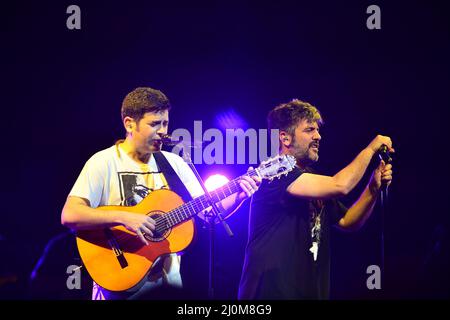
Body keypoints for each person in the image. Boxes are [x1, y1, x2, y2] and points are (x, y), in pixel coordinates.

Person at [61, 87, 261, 300]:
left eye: (165, 123)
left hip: (167, 288)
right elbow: (70, 215)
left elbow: (208, 214)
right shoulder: (103, 162)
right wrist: (124, 217)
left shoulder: (174, 162)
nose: (162, 131)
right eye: (154, 124)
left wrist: (238, 195)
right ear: (129, 123)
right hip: (118, 285)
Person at [238, 99, 394, 300]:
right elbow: (341, 185)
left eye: (318, 130)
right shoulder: (274, 174)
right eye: (309, 130)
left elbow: (347, 221)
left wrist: (373, 188)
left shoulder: (310, 179)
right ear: (285, 138)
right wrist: (370, 150)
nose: (318, 136)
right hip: (272, 292)